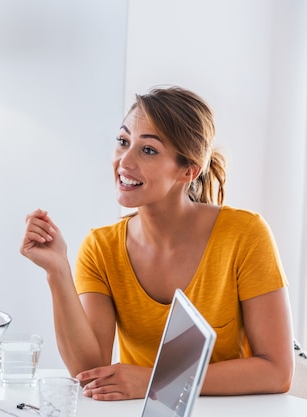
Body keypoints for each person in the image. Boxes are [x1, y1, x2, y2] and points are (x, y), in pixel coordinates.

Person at [20, 86, 294, 401]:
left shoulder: (245, 235)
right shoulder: (101, 248)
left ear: (189, 170)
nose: (124, 160)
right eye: (123, 142)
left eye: (148, 150)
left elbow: (276, 371)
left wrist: (157, 380)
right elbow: (91, 372)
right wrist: (57, 271)